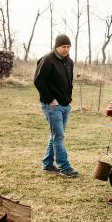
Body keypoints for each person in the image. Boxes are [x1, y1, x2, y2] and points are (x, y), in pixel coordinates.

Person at [34, 34, 78, 177]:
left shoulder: (69, 61)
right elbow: (38, 81)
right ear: (56, 46)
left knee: (56, 135)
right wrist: (50, 99)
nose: (66, 49)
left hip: (65, 105)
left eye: (68, 46)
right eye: (63, 46)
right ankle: (65, 168)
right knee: (58, 136)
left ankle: (47, 164)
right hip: (52, 105)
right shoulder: (47, 60)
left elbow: (69, 82)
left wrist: (69, 99)